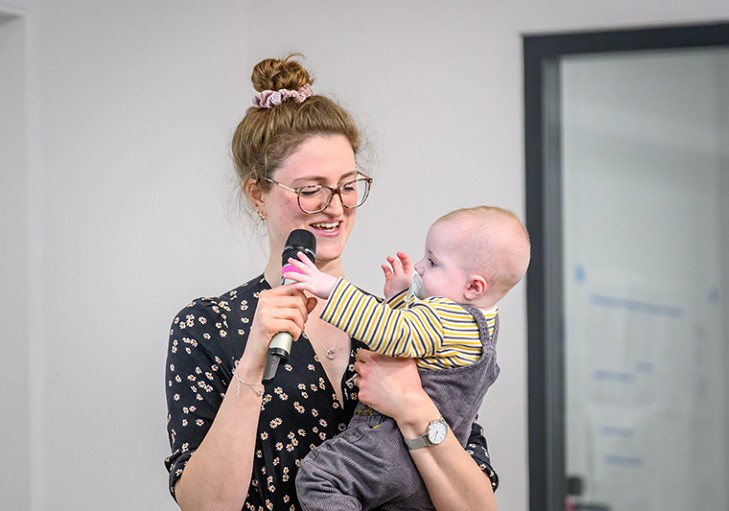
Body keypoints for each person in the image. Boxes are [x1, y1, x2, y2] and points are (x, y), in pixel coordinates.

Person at [163, 54, 500, 511]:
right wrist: (252, 367)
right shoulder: (207, 327)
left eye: (347, 185)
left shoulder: (400, 322)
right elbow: (205, 506)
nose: (336, 207)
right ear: (258, 194)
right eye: (310, 189)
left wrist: (414, 410)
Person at [285, 206, 530, 510]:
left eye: (433, 262)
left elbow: (395, 334)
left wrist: (329, 288)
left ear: (473, 286)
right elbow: (418, 340)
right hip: (426, 469)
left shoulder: (447, 316)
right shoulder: (481, 323)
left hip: (390, 447)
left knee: (321, 478)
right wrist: (401, 298)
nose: (419, 266)